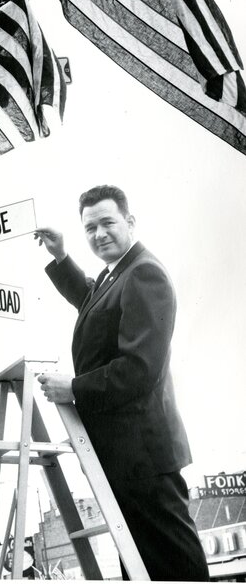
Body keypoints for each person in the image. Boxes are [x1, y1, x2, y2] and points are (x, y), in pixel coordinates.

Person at [34, 185, 208, 582]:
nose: (99, 234)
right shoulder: (117, 274)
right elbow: (93, 306)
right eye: (90, 228)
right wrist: (61, 257)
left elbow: (139, 368)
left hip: (143, 457)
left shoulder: (144, 273)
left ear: (130, 222)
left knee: (174, 565)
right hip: (125, 456)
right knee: (142, 566)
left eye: (108, 223)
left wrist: (74, 388)